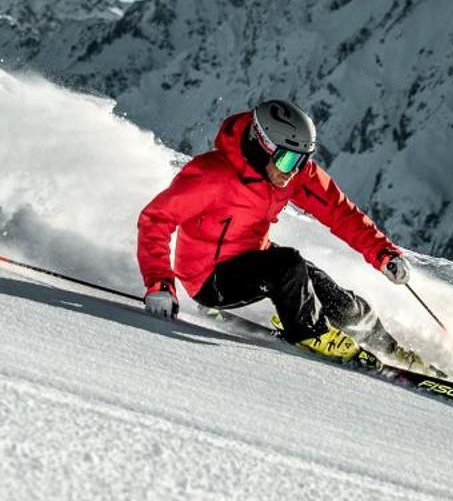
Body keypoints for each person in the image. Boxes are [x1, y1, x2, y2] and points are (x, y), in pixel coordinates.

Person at [135, 98, 418, 365]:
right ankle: (310, 333)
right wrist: (160, 283)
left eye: (301, 160)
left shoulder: (291, 175)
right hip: (209, 279)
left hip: (256, 259)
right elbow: (155, 219)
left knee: (327, 290)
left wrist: (382, 252)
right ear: (262, 146)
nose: (292, 171)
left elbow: (339, 212)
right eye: (286, 160)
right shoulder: (213, 176)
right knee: (287, 266)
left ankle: (388, 348)